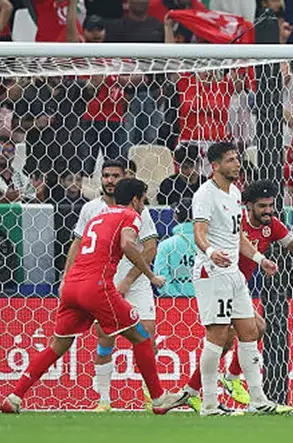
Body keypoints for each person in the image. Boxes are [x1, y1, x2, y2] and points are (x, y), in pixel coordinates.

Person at [1, 178, 187, 414]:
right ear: (134, 199)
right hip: (96, 287)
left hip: (72, 286)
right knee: (141, 337)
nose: (144, 205)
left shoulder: (98, 217)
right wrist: (150, 275)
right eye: (143, 200)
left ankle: (14, 397)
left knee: (58, 345)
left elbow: (79, 246)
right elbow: (127, 244)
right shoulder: (130, 215)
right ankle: (159, 399)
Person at [181, 180, 293, 411]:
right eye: (262, 206)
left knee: (252, 330)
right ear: (249, 206)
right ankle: (215, 388)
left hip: (238, 285)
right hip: (218, 279)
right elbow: (205, 234)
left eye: (271, 206)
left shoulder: (273, 226)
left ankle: (205, 388)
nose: (268, 211)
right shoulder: (235, 220)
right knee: (231, 336)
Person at [189, 141, 290, 416]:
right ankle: (209, 403)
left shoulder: (234, 193)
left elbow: (238, 237)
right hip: (213, 272)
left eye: (237, 158)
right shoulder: (205, 195)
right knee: (218, 336)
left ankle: (258, 399)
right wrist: (211, 251)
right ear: (215, 165)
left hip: (234, 274)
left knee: (250, 331)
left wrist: (260, 259)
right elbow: (199, 233)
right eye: (231, 160)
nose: (237, 164)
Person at [60, 160, 159, 412]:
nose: (110, 180)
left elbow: (150, 248)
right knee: (105, 337)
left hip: (135, 282)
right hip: (104, 281)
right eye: (106, 175)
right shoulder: (91, 209)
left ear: (124, 178)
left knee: (148, 335)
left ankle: (152, 397)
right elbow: (77, 244)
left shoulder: (141, 211)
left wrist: (128, 280)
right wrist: (66, 277)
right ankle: (104, 400)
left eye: (115, 175)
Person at [153, 199, 196, 297]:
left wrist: (176, 297)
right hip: (207, 300)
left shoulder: (166, 245)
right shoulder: (210, 243)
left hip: (175, 302)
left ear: (175, 216)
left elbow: (160, 276)